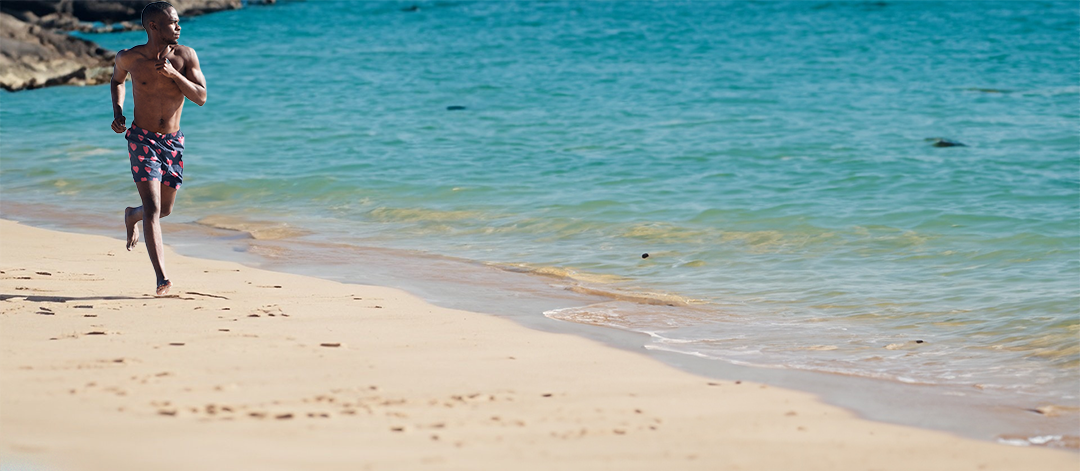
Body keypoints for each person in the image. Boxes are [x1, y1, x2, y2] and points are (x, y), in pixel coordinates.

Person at [110, 1, 207, 296]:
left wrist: (174, 76)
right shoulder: (130, 58)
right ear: (154, 26)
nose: (179, 27)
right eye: (173, 22)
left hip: (173, 142)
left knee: (163, 210)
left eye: (178, 22)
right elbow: (117, 80)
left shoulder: (186, 56)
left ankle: (132, 215)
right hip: (141, 138)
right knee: (153, 208)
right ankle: (161, 277)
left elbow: (201, 97)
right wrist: (118, 111)